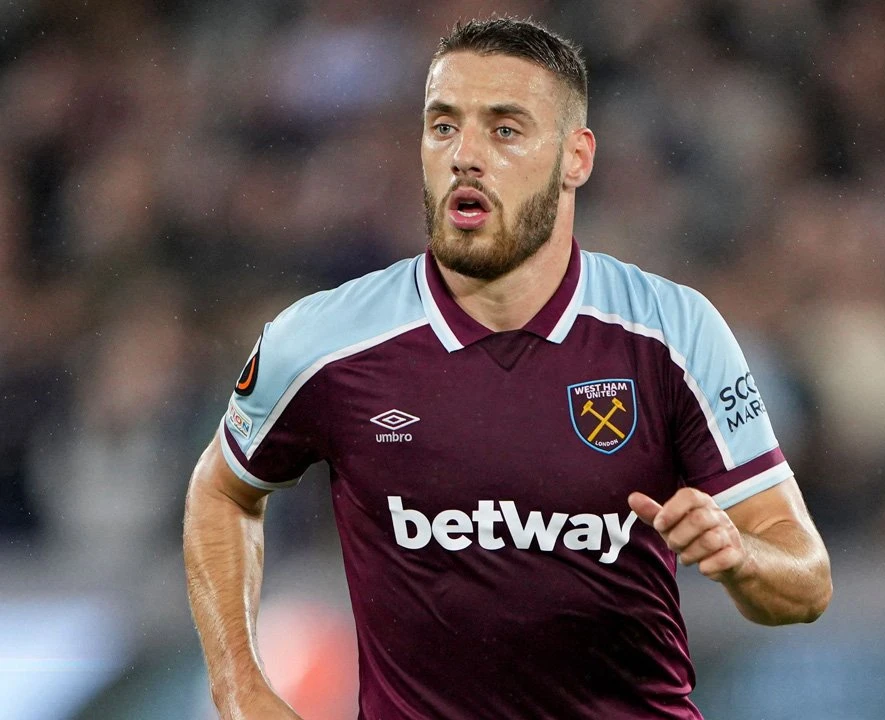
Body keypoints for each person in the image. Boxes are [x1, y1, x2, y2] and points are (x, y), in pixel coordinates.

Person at [184, 16, 832, 720]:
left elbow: (806, 582)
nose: (465, 155)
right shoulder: (323, 342)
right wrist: (239, 689)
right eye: (443, 126)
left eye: (504, 130)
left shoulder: (671, 332)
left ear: (575, 158)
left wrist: (742, 558)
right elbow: (223, 490)